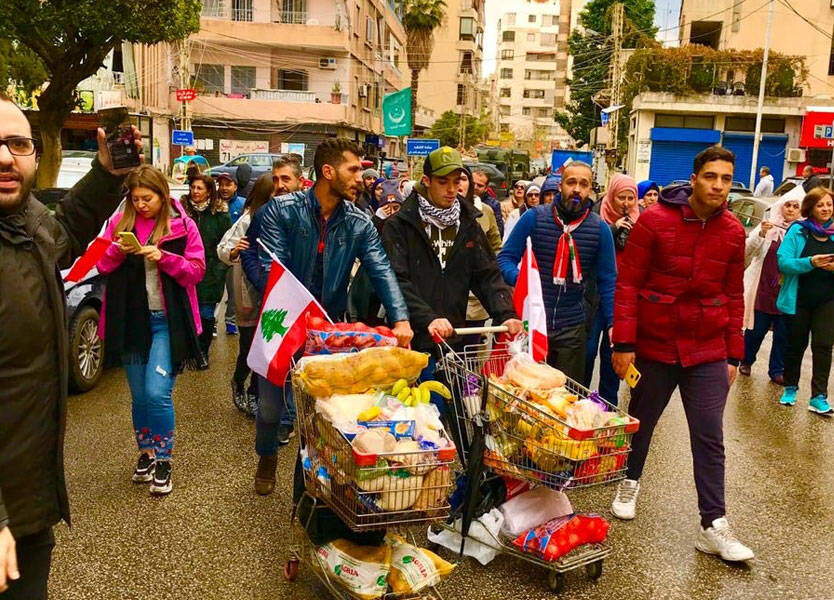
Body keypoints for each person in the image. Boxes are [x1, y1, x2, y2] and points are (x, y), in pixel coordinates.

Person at [0, 93, 141, 599]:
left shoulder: (27, 226)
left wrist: (107, 172)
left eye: (17, 144)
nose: (4, 157)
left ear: (35, 155)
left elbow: (65, 232)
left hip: (30, 503)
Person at [610, 145, 754, 562]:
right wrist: (624, 344)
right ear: (694, 179)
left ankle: (713, 524)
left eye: (726, 179)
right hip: (654, 346)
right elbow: (629, 284)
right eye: (711, 176)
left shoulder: (733, 231)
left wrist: (733, 355)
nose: (718, 185)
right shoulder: (654, 221)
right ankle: (629, 479)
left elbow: (732, 294)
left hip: (707, 348)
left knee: (710, 436)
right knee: (641, 421)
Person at [247, 138, 413, 495]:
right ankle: (267, 454)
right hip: (282, 323)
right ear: (328, 172)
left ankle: (308, 482)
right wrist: (294, 311)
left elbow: (381, 269)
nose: (360, 178)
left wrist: (400, 319)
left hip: (328, 332)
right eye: (353, 170)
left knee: (321, 412)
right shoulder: (280, 211)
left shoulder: (359, 222)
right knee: (271, 411)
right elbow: (270, 269)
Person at [382, 147, 522, 411]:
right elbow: (397, 281)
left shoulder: (469, 223)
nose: (451, 189)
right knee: (420, 417)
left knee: (458, 413)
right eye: (443, 182)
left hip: (454, 338)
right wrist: (428, 317)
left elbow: (487, 275)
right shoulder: (399, 225)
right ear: (426, 181)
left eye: (456, 181)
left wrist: (506, 314)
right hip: (412, 338)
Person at [96, 166, 205, 497]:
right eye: (135, 198)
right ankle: (144, 453)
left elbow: (197, 271)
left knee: (157, 392)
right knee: (139, 395)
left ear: (162, 196)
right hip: (132, 321)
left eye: (148, 198)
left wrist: (163, 257)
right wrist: (119, 249)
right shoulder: (119, 223)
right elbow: (101, 264)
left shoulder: (182, 225)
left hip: (167, 323)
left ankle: (164, 459)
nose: (141, 205)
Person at [499, 162, 617, 382]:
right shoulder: (534, 218)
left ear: (591, 189)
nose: (577, 189)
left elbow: (608, 282)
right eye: (571, 182)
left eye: (584, 184)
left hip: (572, 328)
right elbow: (505, 259)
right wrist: (525, 281)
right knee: (528, 396)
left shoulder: (599, 229)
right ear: (560, 186)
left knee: (564, 399)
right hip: (532, 323)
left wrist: (612, 324)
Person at [218, 174, 275, 417]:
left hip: (273, 292)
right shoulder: (248, 218)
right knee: (250, 345)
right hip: (247, 290)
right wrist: (234, 251)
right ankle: (238, 381)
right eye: (274, 194)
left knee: (266, 346)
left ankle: (255, 393)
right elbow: (222, 248)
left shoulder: (287, 218)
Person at [777, 187, 834, 413]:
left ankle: (818, 396)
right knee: (795, 345)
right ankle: (790, 387)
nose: (826, 209)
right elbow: (783, 262)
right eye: (821, 205)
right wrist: (810, 262)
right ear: (810, 208)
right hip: (798, 298)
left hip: (827, 300)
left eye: (829, 204)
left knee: (823, 346)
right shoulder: (798, 231)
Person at [586, 174, 639, 404]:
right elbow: (588, 248)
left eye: (630, 198)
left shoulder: (641, 219)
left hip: (622, 300)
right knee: (586, 354)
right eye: (621, 197)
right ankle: (578, 400)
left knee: (613, 357)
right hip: (593, 296)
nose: (626, 203)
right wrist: (613, 229)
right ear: (611, 196)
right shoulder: (596, 216)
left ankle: (608, 406)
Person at [739, 197, 800, 384]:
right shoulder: (767, 225)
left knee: (783, 334)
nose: (790, 210)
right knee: (756, 330)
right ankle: (746, 360)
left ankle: (776, 370)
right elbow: (747, 253)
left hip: (786, 290)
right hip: (763, 288)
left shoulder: (801, 232)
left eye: (795, 206)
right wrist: (761, 235)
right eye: (787, 205)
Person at [182, 174, 232, 365]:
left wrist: (219, 269)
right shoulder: (183, 212)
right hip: (185, 269)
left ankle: (202, 352)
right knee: (186, 312)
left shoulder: (220, 214)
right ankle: (188, 350)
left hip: (210, 271)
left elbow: (225, 244)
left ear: (209, 191)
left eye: (199, 188)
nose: (195, 192)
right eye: (193, 187)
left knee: (205, 313)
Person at [215, 172, 246, 335]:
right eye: (221, 185)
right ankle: (212, 322)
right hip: (217, 254)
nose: (224, 188)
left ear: (235, 186)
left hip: (235, 255)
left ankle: (231, 321)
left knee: (234, 291)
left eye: (228, 184)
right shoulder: (213, 203)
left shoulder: (242, 204)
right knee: (215, 290)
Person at [470, 167, 505, 237]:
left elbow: (498, 232)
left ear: (486, 188)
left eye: (479, 185)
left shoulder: (493, 205)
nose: (475, 187)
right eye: (473, 183)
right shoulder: (459, 198)